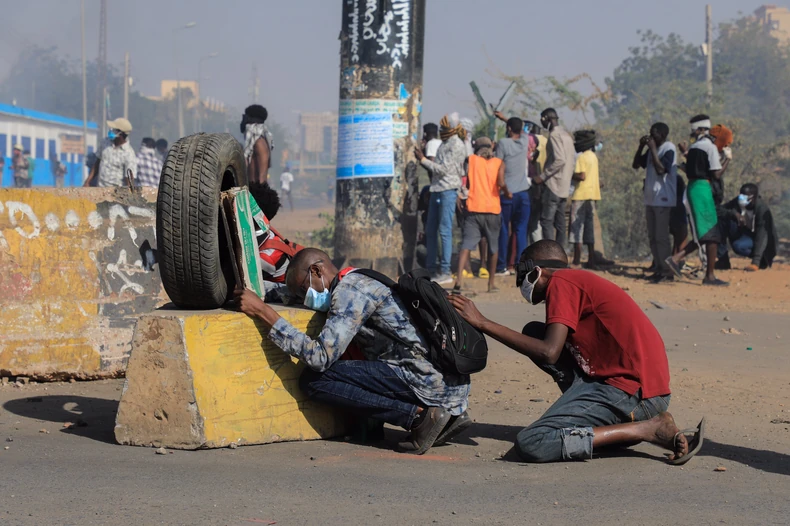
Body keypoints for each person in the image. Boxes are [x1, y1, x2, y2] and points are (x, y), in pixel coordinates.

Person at [449, 240, 704, 464]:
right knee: (534, 331)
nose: (520, 285)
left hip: (633, 393)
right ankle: (621, 425)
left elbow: (549, 352)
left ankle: (646, 429)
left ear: (537, 271)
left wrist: (483, 322)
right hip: (640, 388)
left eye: (521, 276)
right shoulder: (575, 281)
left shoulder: (561, 282)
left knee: (533, 442)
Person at [234, 248, 472, 455]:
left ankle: (420, 417)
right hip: (446, 385)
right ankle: (446, 416)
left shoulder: (349, 293)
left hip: (425, 379)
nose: (302, 300)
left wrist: (265, 313)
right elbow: (285, 292)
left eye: (302, 291)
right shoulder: (359, 278)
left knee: (315, 380)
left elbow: (320, 357)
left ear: (316, 271)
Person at [666, 115, 728, 286]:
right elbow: (716, 174)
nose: (693, 132)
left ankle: (677, 259)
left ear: (701, 130)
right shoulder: (709, 147)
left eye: (694, 129)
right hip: (701, 190)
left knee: (708, 234)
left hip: (696, 188)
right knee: (710, 234)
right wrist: (728, 159)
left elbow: (690, 170)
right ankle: (708, 276)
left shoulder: (694, 148)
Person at [415, 115, 466, 285]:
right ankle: (430, 269)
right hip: (437, 189)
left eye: (443, 129)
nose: (441, 132)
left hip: (448, 190)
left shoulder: (457, 145)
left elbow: (444, 169)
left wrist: (423, 160)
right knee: (431, 230)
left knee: (444, 231)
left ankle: (445, 270)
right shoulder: (444, 144)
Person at [454, 137, 503, 293]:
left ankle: (459, 281)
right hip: (493, 210)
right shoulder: (499, 163)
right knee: (493, 247)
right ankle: (491, 283)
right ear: (491, 147)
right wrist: (507, 192)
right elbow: (501, 183)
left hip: (474, 208)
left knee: (466, 245)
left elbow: (467, 184)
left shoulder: (471, 160)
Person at [632, 122, 678, 282]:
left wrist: (652, 149)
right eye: (650, 134)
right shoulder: (652, 150)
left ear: (663, 135)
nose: (651, 137)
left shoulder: (669, 148)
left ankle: (667, 271)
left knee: (661, 236)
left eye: (655, 134)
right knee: (652, 236)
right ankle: (658, 268)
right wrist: (641, 147)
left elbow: (661, 170)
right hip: (651, 199)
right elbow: (636, 165)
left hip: (663, 199)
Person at [491, 112, 531, 277]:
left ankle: (501, 265)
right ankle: (520, 266)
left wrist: (504, 189)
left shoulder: (503, 143)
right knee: (520, 230)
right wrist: (506, 119)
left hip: (507, 193)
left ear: (508, 129)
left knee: (503, 230)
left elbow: (497, 165)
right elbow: (519, 129)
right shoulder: (524, 142)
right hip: (523, 194)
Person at [533, 108, 575, 246]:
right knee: (560, 223)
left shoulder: (555, 135)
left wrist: (543, 176)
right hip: (564, 186)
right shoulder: (567, 136)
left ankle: (551, 255)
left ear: (547, 119)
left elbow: (560, 160)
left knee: (546, 221)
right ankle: (561, 256)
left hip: (553, 185)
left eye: (542, 120)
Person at [716, 183, 777, 271]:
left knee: (739, 246)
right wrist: (734, 214)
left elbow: (762, 236)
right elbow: (720, 209)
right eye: (741, 196)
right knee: (722, 219)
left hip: (758, 240)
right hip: (744, 233)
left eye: (745, 196)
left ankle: (761, 260)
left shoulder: (762, 209)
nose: (742, 199)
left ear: (754, 197)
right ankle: (723, 260)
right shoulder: (737, 202)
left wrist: (755, 261)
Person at [569, 130, 602, 269]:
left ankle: (576, 260)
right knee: (589, 229)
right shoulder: (593, 157)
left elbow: (581, 176)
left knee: (577, 228)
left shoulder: (581, 158)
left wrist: (571, 175)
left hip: (580, 195)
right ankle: (591, 260)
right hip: (592, 196)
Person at [84, 118, 137, 187]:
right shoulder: (105, 143)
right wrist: (87, 181)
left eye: (114, 130)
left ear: (120, 134)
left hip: (116, 192)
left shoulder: (129, 153)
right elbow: (97, 163)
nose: (111, 131)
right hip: (100, 188)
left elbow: (129, 178)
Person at [241, 104, 274, 184]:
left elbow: (261, 177)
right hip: (251, 190)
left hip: (256, 192)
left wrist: (258, 194)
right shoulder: (253, 143)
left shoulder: (259, 143)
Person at [708, 124, 733, 206]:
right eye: (726, 144)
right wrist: (728, 159)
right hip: (709, 192)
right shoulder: (711, 151)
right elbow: (716, 174)